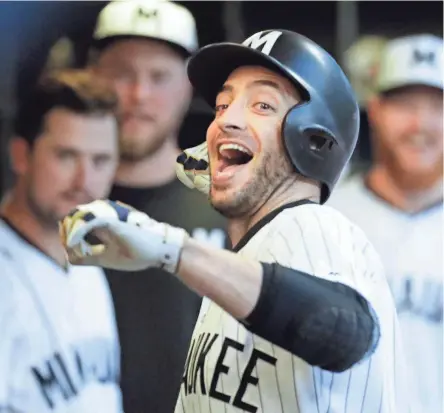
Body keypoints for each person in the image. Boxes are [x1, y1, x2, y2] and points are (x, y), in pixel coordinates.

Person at [60, 29, 412, 412]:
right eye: (222, 106)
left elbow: (347, 330)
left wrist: (172, 249)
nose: (227, 121)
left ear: (315, 141)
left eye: (262, 106)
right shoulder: (245, 264)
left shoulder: (310, 226)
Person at [88, 1, 227, 412]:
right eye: (122, 73)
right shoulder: (57, 200)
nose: (138, 94)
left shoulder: (226, 202)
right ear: (92, 76)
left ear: (188, 87)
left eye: (159, 76)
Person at [329, 34, 443, 413]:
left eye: (437, 106)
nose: (421, 124)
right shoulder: (328, 217)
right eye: (405, 104)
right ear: (374, 109)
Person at [0, 70, 122, 412]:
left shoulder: (88, 259)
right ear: (21, 156)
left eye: (100, 160)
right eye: (67, 156)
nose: (85, 179)